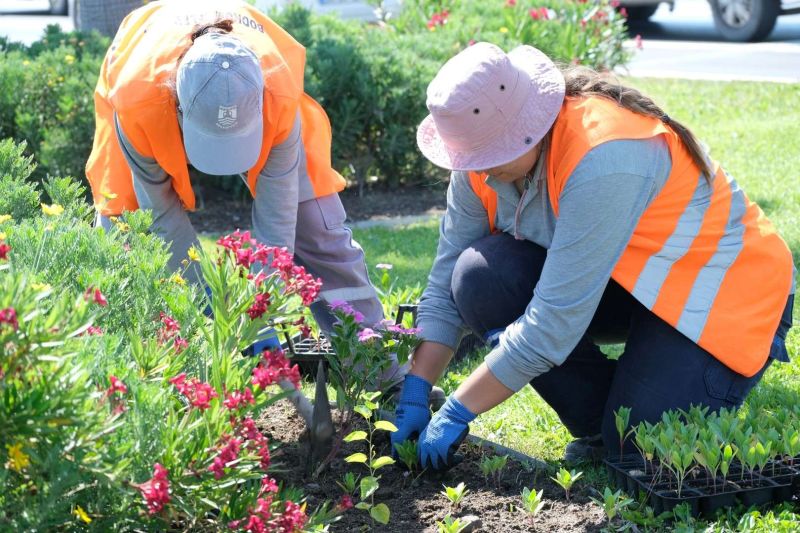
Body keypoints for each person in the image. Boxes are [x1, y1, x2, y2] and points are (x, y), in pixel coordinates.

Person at [390, 42, 795, 469]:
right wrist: (416, 388)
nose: (481, 172)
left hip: (718, 296)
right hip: (629, 281)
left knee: (642, 451)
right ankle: (602, 425)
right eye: (471, 160)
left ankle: (631, 421)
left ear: (528, 128)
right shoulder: (478, 161)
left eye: (489, 158)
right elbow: (445, 281)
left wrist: (457, 409)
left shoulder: (604, 157)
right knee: (479, 277)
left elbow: (553, 324)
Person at [84, 0, 391, 370]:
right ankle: (137, 383)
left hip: (263, 96)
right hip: (143, 74)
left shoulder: (277, 92)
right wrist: (213, 308)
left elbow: (278, 219)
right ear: (179, 108)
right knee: (126, 225)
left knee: (316, 225)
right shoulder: (137, 101)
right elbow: (160, 218)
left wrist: (258, 306)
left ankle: (381, 373)